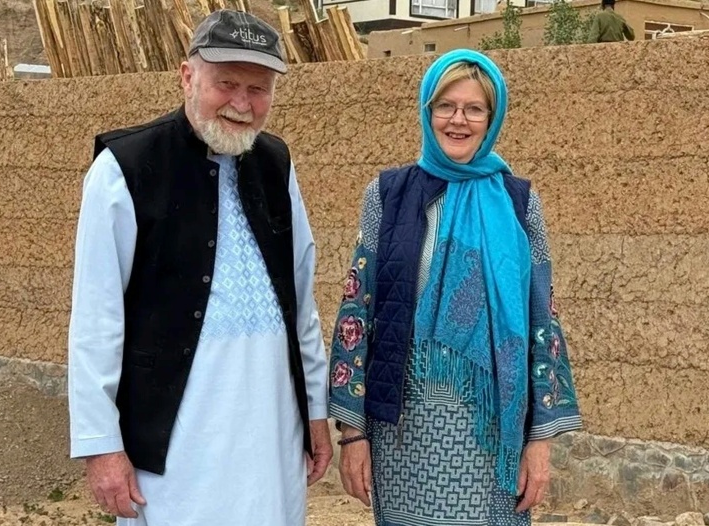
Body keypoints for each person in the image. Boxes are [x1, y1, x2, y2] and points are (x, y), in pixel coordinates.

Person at [67, 10, 331, 526]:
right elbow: (96, 320)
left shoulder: (277, 164)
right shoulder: (124, 168)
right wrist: (101, 444)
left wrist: (315, 410)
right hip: (177, 446)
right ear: (187, 76)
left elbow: (301, 302)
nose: (242, 103)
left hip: (273, 430)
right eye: (226, 84)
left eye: (258, 89)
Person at [328, 49, 582, 526]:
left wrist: (540, 441)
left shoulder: (519, 203)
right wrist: (352, 432)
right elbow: (355, 312)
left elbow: (542, 322)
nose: (458, 120)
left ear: (493, 118)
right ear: (427, 111)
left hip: (493, 432)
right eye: (445, 105)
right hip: (401, 433)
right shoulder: (386, 195)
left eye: (474, 108)